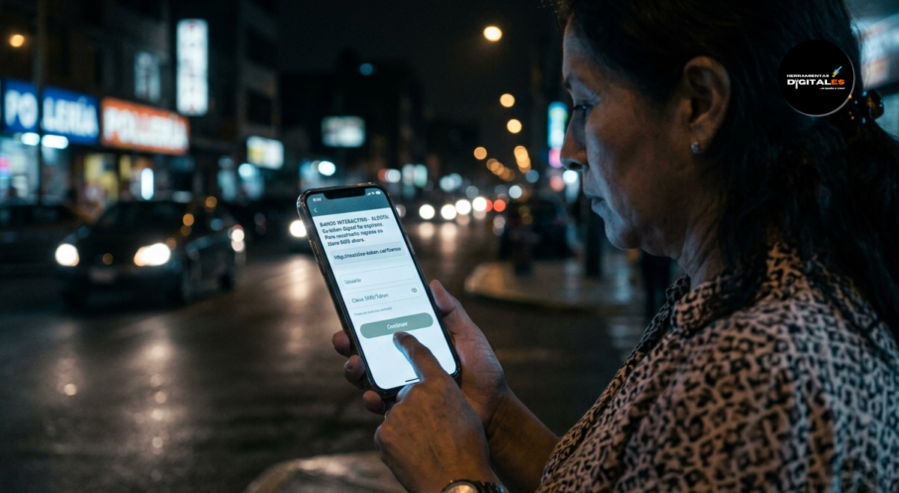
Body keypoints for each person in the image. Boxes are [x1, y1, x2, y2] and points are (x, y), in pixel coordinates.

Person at [332, 0, 899, 491]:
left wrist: (453, 479)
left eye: (584, 105)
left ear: (699, 104)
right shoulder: (747, 293)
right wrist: (494, 416)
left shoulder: (758, 366)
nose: (568, 151)